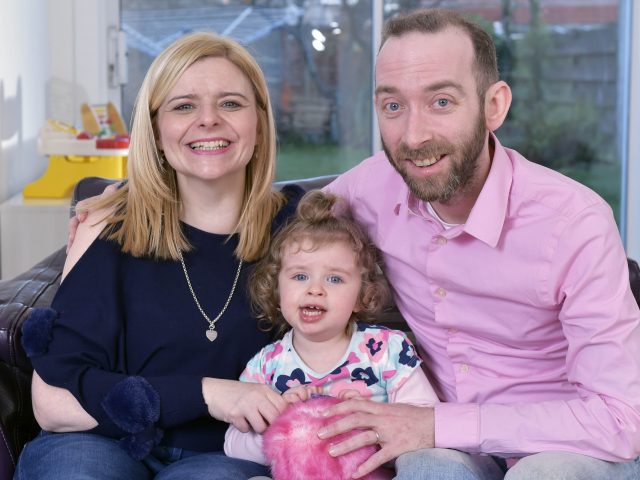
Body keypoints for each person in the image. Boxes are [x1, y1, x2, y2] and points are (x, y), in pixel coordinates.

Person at [316, 7, 640, 480]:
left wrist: (437, 424)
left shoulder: (575, 222)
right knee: (429, 468)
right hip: (448, 446)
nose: (413, 135)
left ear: (495, 106)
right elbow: (284, 225)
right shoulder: (372, 188)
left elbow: (621, 418)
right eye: (392, 106)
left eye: (441, 102)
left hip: (571, 445)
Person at [16, 32, 305, 480]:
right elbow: (55, 406)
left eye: (230, 103)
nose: (208, 120)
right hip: (97, 443)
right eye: (183, 105)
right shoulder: (110, 225)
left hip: (224, 455)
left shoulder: (301, 230)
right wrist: (208, 394)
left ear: (261, 122)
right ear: (155, 128)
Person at [222, 190, 439, 471]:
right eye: (300, 276)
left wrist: (370, 427)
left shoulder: (387, 350)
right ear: (276, 288)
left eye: (335, 278)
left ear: (363, 295)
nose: (315, 289)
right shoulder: (266, 366)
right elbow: (232, 445)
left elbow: (426, 422)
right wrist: (279, 420)